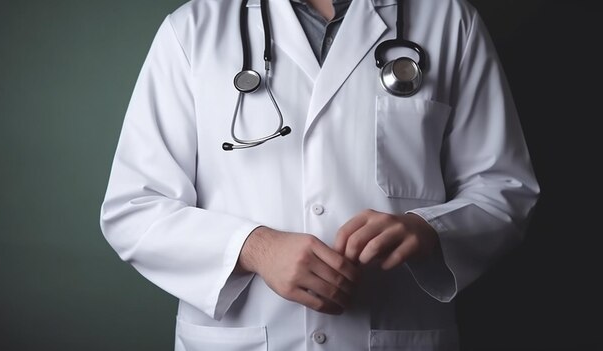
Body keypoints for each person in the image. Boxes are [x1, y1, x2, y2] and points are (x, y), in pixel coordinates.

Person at [99, 0, 540, 349]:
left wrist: (426, 230)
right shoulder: (192, 30)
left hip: (396, 330)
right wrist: (255, 248)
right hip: (247, 335)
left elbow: (504, 188)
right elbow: (135, 207)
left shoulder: (448, 20)